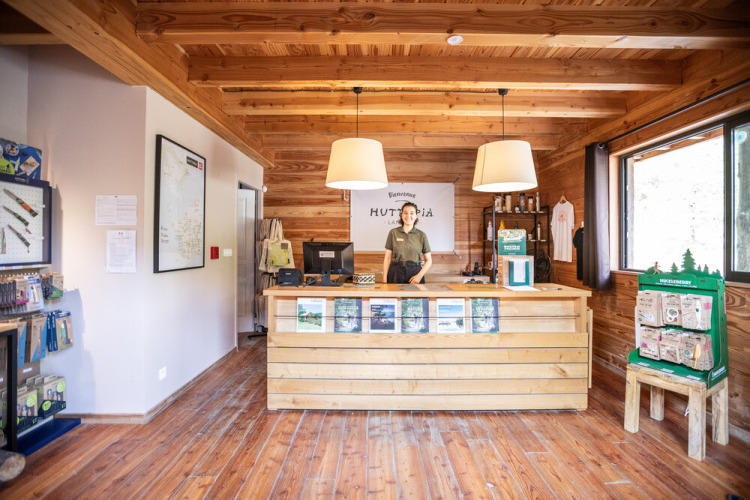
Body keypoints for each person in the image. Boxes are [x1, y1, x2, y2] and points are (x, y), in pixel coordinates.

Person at [383, 202, 432, 284]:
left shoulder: (422, 235)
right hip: (395, 272)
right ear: (401, 215)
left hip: (415, 273)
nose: (408, 216)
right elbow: (387, 258)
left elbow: (429, 260)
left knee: (415, 297)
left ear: (416, 216)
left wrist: (419, 276)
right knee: (395, 296)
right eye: (405, 213)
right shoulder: (393, 232)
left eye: (412, 213)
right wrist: (384, 280)